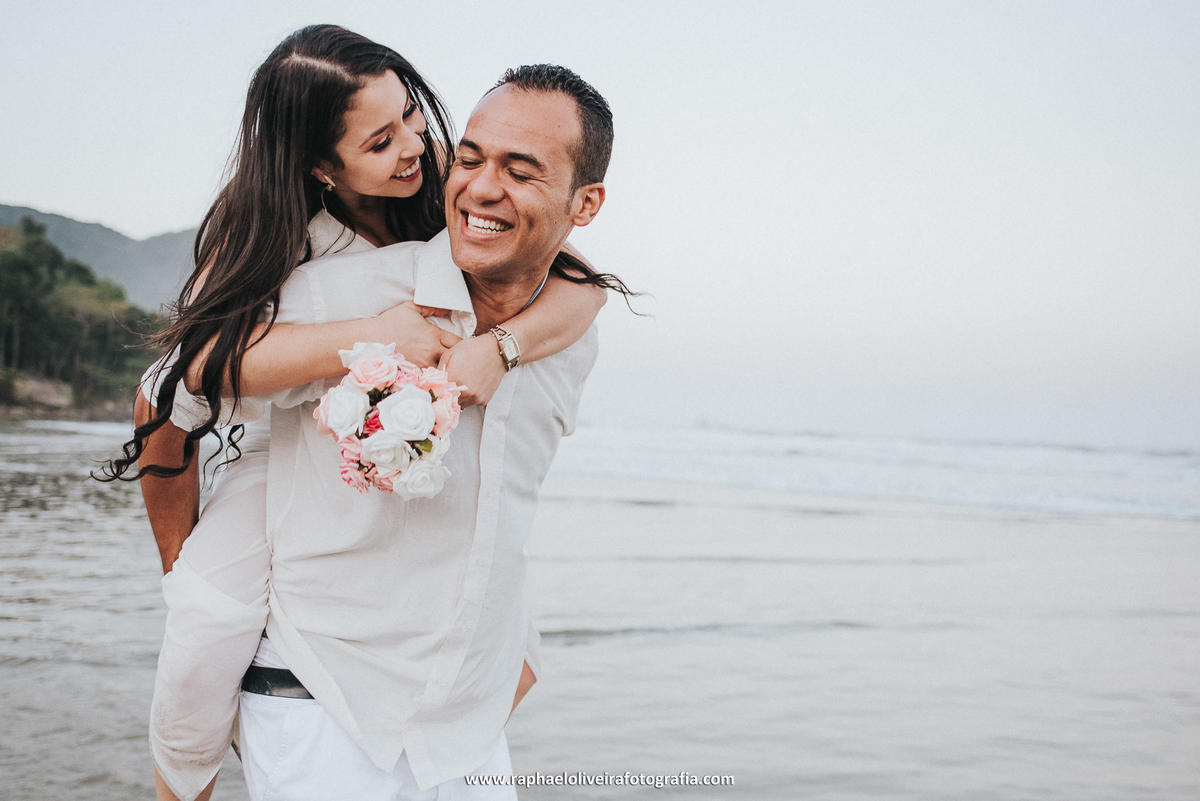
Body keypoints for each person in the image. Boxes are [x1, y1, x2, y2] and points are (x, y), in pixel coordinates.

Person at [97, 26, 613, 801]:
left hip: (446, 703)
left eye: (411, 114)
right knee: (207, 621)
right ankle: (183, 786)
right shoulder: (270, 239)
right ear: (320, 166)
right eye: (380, 139)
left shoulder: (452, 180)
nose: (415, 147)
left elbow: (584, 284)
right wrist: (179, 558)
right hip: (270, 437)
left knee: (515, 642)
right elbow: (173, 386)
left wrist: (500, 347)